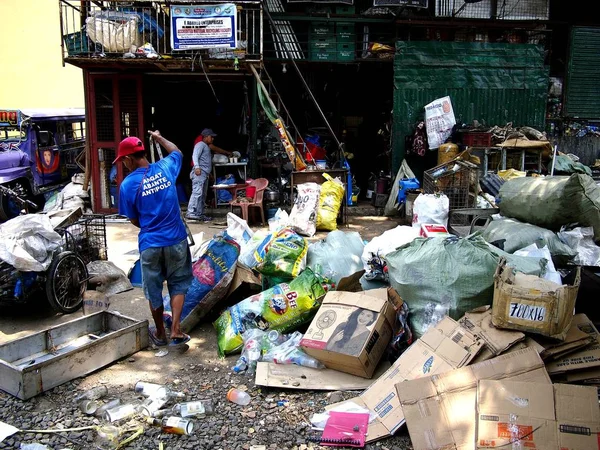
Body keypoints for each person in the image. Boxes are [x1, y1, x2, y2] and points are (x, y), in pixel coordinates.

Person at [115, 131, 192, 347]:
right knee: (178, 284)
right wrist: (159, 138)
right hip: (176, 240)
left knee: (154, 290)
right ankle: (176, 328)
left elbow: (133, 219)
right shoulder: (166, 167)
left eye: (123, 161)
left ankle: (160, 333)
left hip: (150, 244)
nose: (124, 165)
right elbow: (176, 151)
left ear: (129, 159)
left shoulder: (127, 185)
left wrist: (149, 224)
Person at [186, 128, 229, 221]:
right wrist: (197, 167)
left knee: (202, 195)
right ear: (206, 137)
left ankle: (199, 214)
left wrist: (209, 174)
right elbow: (195, 155)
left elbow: (205, 161)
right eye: (211, 137)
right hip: (199, 173)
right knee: (197, 193)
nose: (213, 139)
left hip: (204, 173)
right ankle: (191, 213)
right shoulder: (200, 144)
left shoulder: (205, 146)